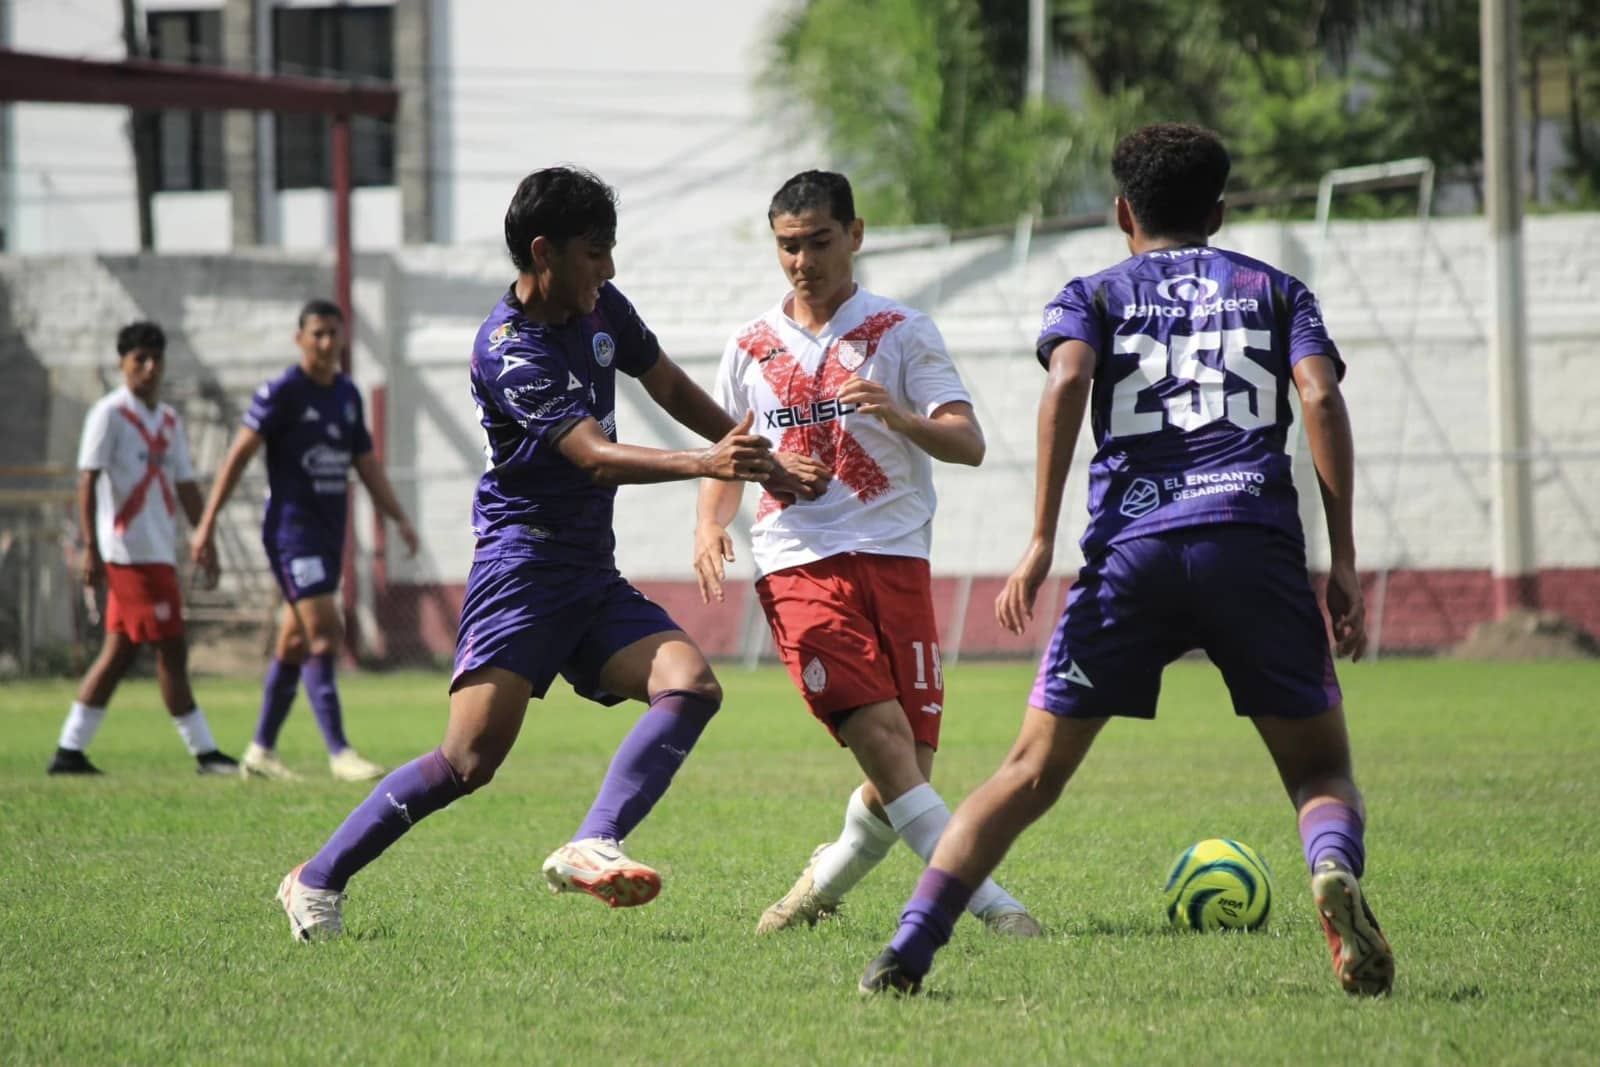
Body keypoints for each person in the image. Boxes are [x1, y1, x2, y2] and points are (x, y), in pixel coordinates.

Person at [860, 123, 1395, 997]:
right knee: (1320, 771)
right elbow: (1322, 395)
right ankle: (1330, 869)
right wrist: (1341, 558)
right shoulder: (1276, 290)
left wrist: (1038, 540)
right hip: (1251, 543)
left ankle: (908, 949)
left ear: (1122, 212)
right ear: (1219, 212)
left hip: (1130, 555)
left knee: (1028, 773)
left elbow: (1066, 381)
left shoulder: (1092, 293)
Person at [271, 165, 825, 941]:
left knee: (691, 684)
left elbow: (661, 378)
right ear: (544, 252)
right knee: (468, 760)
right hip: (521, 572)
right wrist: (707, 465)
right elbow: (592, 455)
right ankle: (316, 877)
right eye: (596, 252)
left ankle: (595, 839)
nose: (609, 269)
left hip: (588, 571)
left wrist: (749, 451)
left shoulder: (599, 308)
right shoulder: (509, 351)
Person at [695, 170, 1039, 937]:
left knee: (903, 773)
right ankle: (992, 907)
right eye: (788, 246)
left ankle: (816, 886)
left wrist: (902, 415)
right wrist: (710, 523)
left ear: (855, 233)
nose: (802, 261)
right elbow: (731, 453)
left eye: (818, 241)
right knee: (884, 743)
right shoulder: (750, 344)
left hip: (896, 561)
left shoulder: (901, 331)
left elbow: (969, 442)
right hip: (798, 565)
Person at [190, 299, 418, 782]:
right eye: (317, 333)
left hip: (329, 535)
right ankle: (340, 753)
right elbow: (238, 457)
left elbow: (367, 464)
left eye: (334, 333)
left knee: (294, 641)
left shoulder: (347, 395)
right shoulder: (282, 393)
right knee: (325, 631)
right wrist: (207, 523)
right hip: (291, 535)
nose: (326, 342)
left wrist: (397, 517)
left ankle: (260, 752)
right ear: (300, 339)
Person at [48, 321, 239, 777]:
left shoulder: (169, 421)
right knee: (171, 648)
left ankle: (69, 750)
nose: (150, 368)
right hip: (127, 554)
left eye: (156, 359)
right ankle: (206, 752)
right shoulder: (109, 414)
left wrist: (203, 536)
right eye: (140, 360)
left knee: (118, 653)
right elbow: (88, 478)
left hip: (159, 552)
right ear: (123, 364)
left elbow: (186, 484)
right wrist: (91, 548)